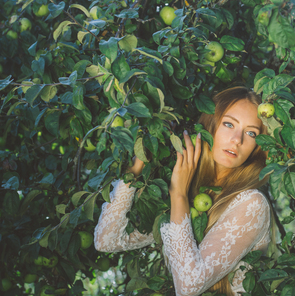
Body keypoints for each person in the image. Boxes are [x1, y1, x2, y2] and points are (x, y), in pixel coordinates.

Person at [94, 86, 272, 295]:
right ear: (210, 125)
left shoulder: (251, 204)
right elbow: (107, 240)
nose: (237, 139)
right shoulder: (191, 191)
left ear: (257, 146)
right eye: (229, 124)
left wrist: (178, 194)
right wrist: (136, 167)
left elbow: (189, 287)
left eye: (251, 133)